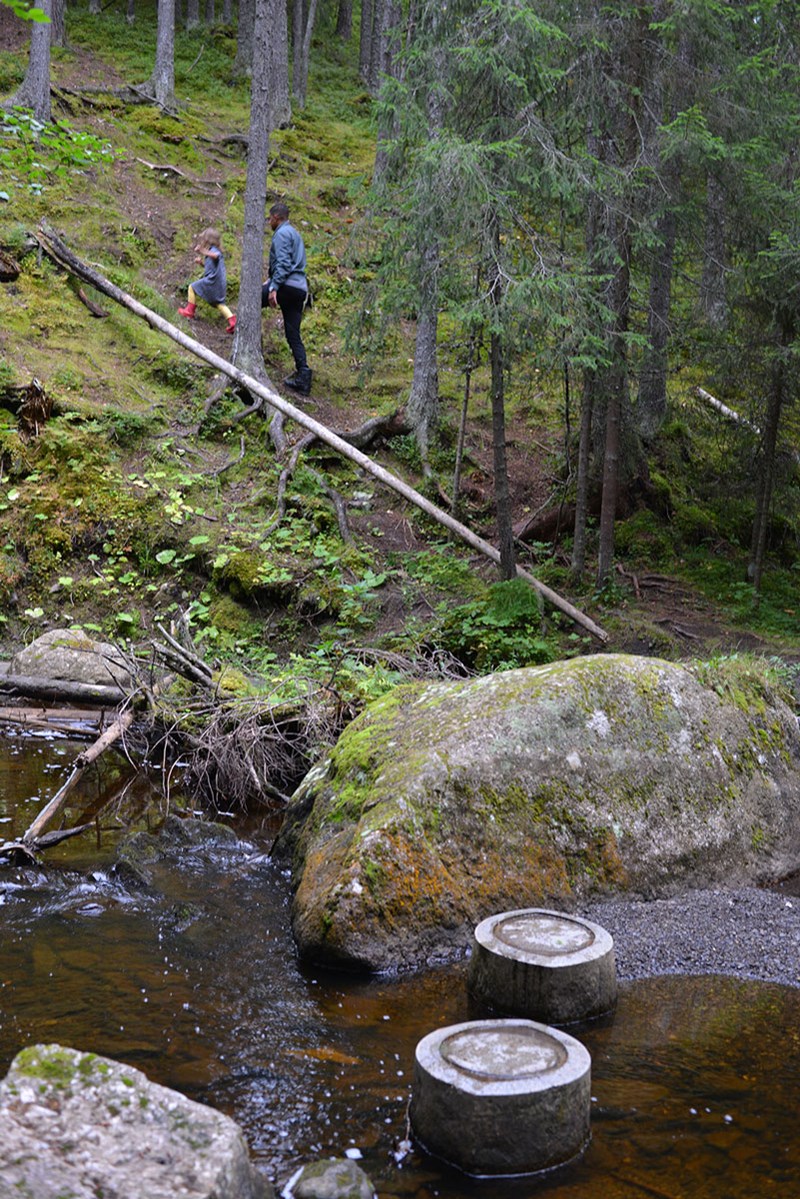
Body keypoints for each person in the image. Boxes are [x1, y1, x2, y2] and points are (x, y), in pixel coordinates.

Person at [262, 201, 312, 396]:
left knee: (253, 299)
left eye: (269, 219)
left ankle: (239, 334)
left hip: (287, 286)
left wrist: (273, 287)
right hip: (299, 289)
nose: (268, 223)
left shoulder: (281, 234)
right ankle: (304, 376)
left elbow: (283, 263)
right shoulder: (295, 233)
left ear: (276, 217)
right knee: (293, 334)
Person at [179, 227, 236, 333]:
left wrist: (202, 251)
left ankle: (189, 310)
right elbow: (211, 268)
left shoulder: (214, 251)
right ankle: (232, 321)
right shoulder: (211, 253)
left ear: (208, 240)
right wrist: (201, 263)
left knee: (192, 287)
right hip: (218, 283)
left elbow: (215, 256)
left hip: (213, 282)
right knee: (219, 304)